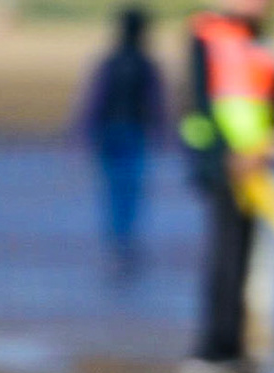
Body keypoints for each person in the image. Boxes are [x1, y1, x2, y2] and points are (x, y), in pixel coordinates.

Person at [177, 0, 274, 373]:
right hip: (225, 167)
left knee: (250, 264)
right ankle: (214, 351)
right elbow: (198, 101)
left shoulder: (264, 43)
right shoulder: (206, 33)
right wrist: (225, 156)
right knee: (224, 261)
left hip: (258, 170)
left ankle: (240, 350)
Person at [76, 7, 165, 269]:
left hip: (111, 135)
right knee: (131, 191)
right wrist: (161, 134)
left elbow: (94, 102)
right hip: (133, 136)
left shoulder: (109, 63)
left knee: (113, 190)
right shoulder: (146, 65)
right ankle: (125, 240)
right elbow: (156, 104)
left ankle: (118, 240)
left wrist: (83, 134)